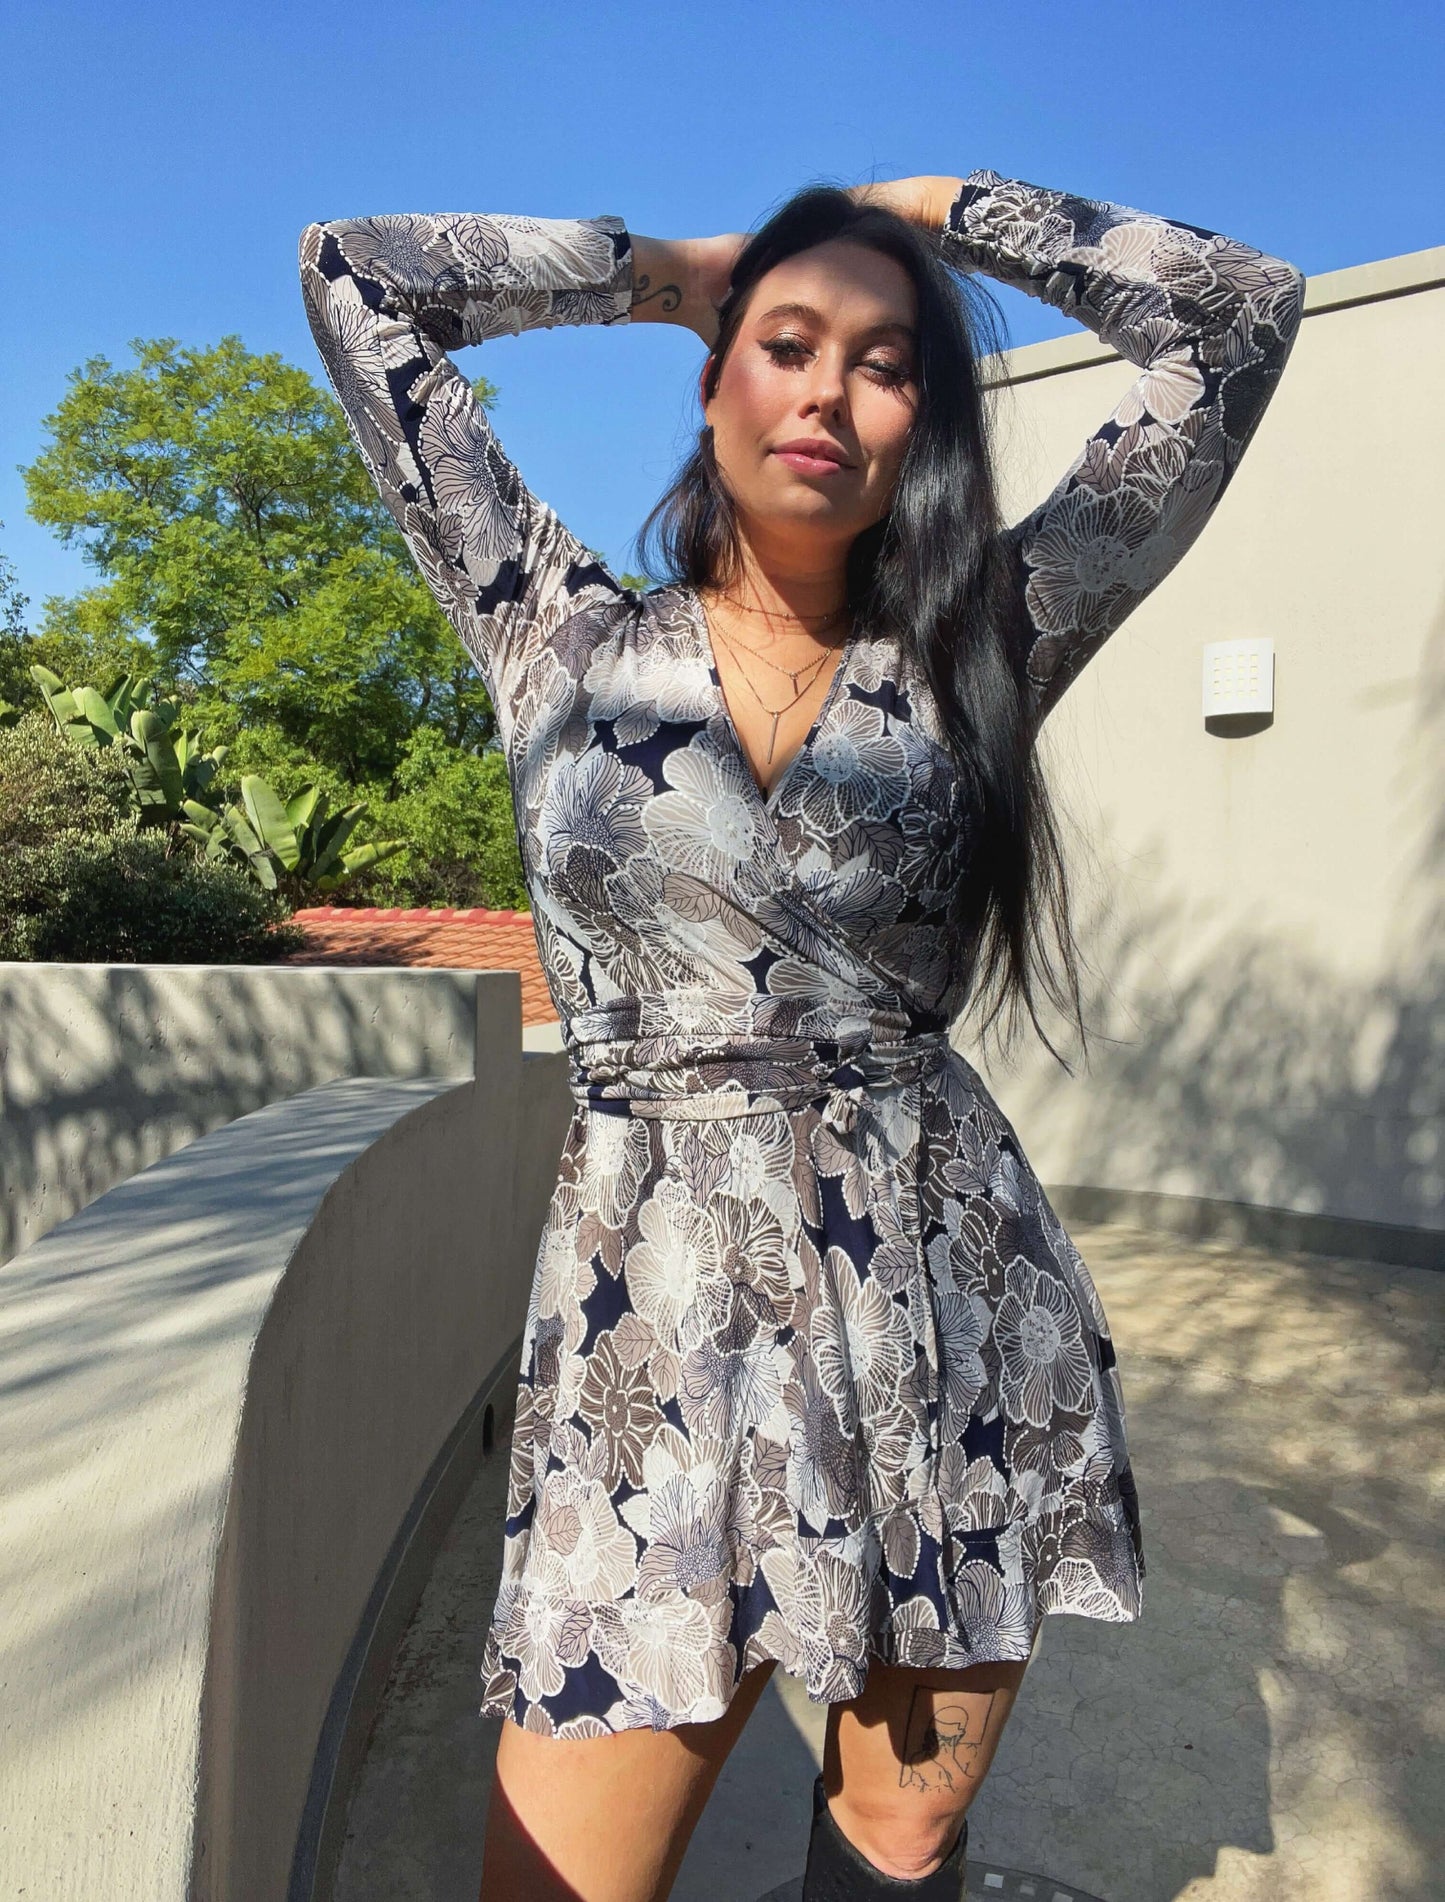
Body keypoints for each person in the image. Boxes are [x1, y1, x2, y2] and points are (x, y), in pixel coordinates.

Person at [300, 168, 1305, 1900]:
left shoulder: (986, 636)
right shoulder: (554, 628)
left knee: (898, 1835)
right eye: (787, 345)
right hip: (653, 1333)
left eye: (885, 359)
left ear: (921, 418)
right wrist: (681, 271)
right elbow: (354, 281)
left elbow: (1232, 321)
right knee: (550, 1876)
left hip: (943, 1310)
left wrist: (942, 206)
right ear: (714, 384)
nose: (830, 391)